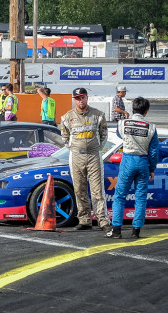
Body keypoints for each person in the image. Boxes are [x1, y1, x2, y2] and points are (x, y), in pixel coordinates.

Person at [59, 88, 109, 231]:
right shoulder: (66, 117)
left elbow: (104, 135)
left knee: (97, 190)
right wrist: (75, 148)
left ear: (87, 97)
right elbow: (65, 138)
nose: (80, 101)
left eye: (83, 97)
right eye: (77, 98)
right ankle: (85, 220)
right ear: (74, 100)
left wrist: (97, 148)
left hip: (94, 155)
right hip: (76, 156)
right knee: (79, 189)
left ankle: (103, 220)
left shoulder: (98, 115)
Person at [108, 97, 158, 239]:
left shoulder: (122, 124)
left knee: (119, 196)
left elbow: (119, 134)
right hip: (143, 161)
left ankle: (116, 230)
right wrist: (152, 169)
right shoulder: (152, 127)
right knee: (141, 198)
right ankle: (136, 231)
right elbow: (154, 151)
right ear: (146, 111)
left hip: (128, 159)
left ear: (132, 109)